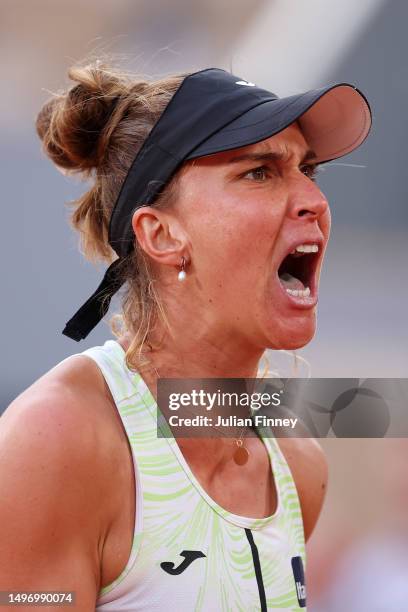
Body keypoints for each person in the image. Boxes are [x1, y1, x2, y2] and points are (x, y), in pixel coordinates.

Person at [0, 62, 371, 611]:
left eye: (308, 171)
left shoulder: (298, 464)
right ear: (161, 233)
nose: (313, 201)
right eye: (259, 172)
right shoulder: (57, 441)